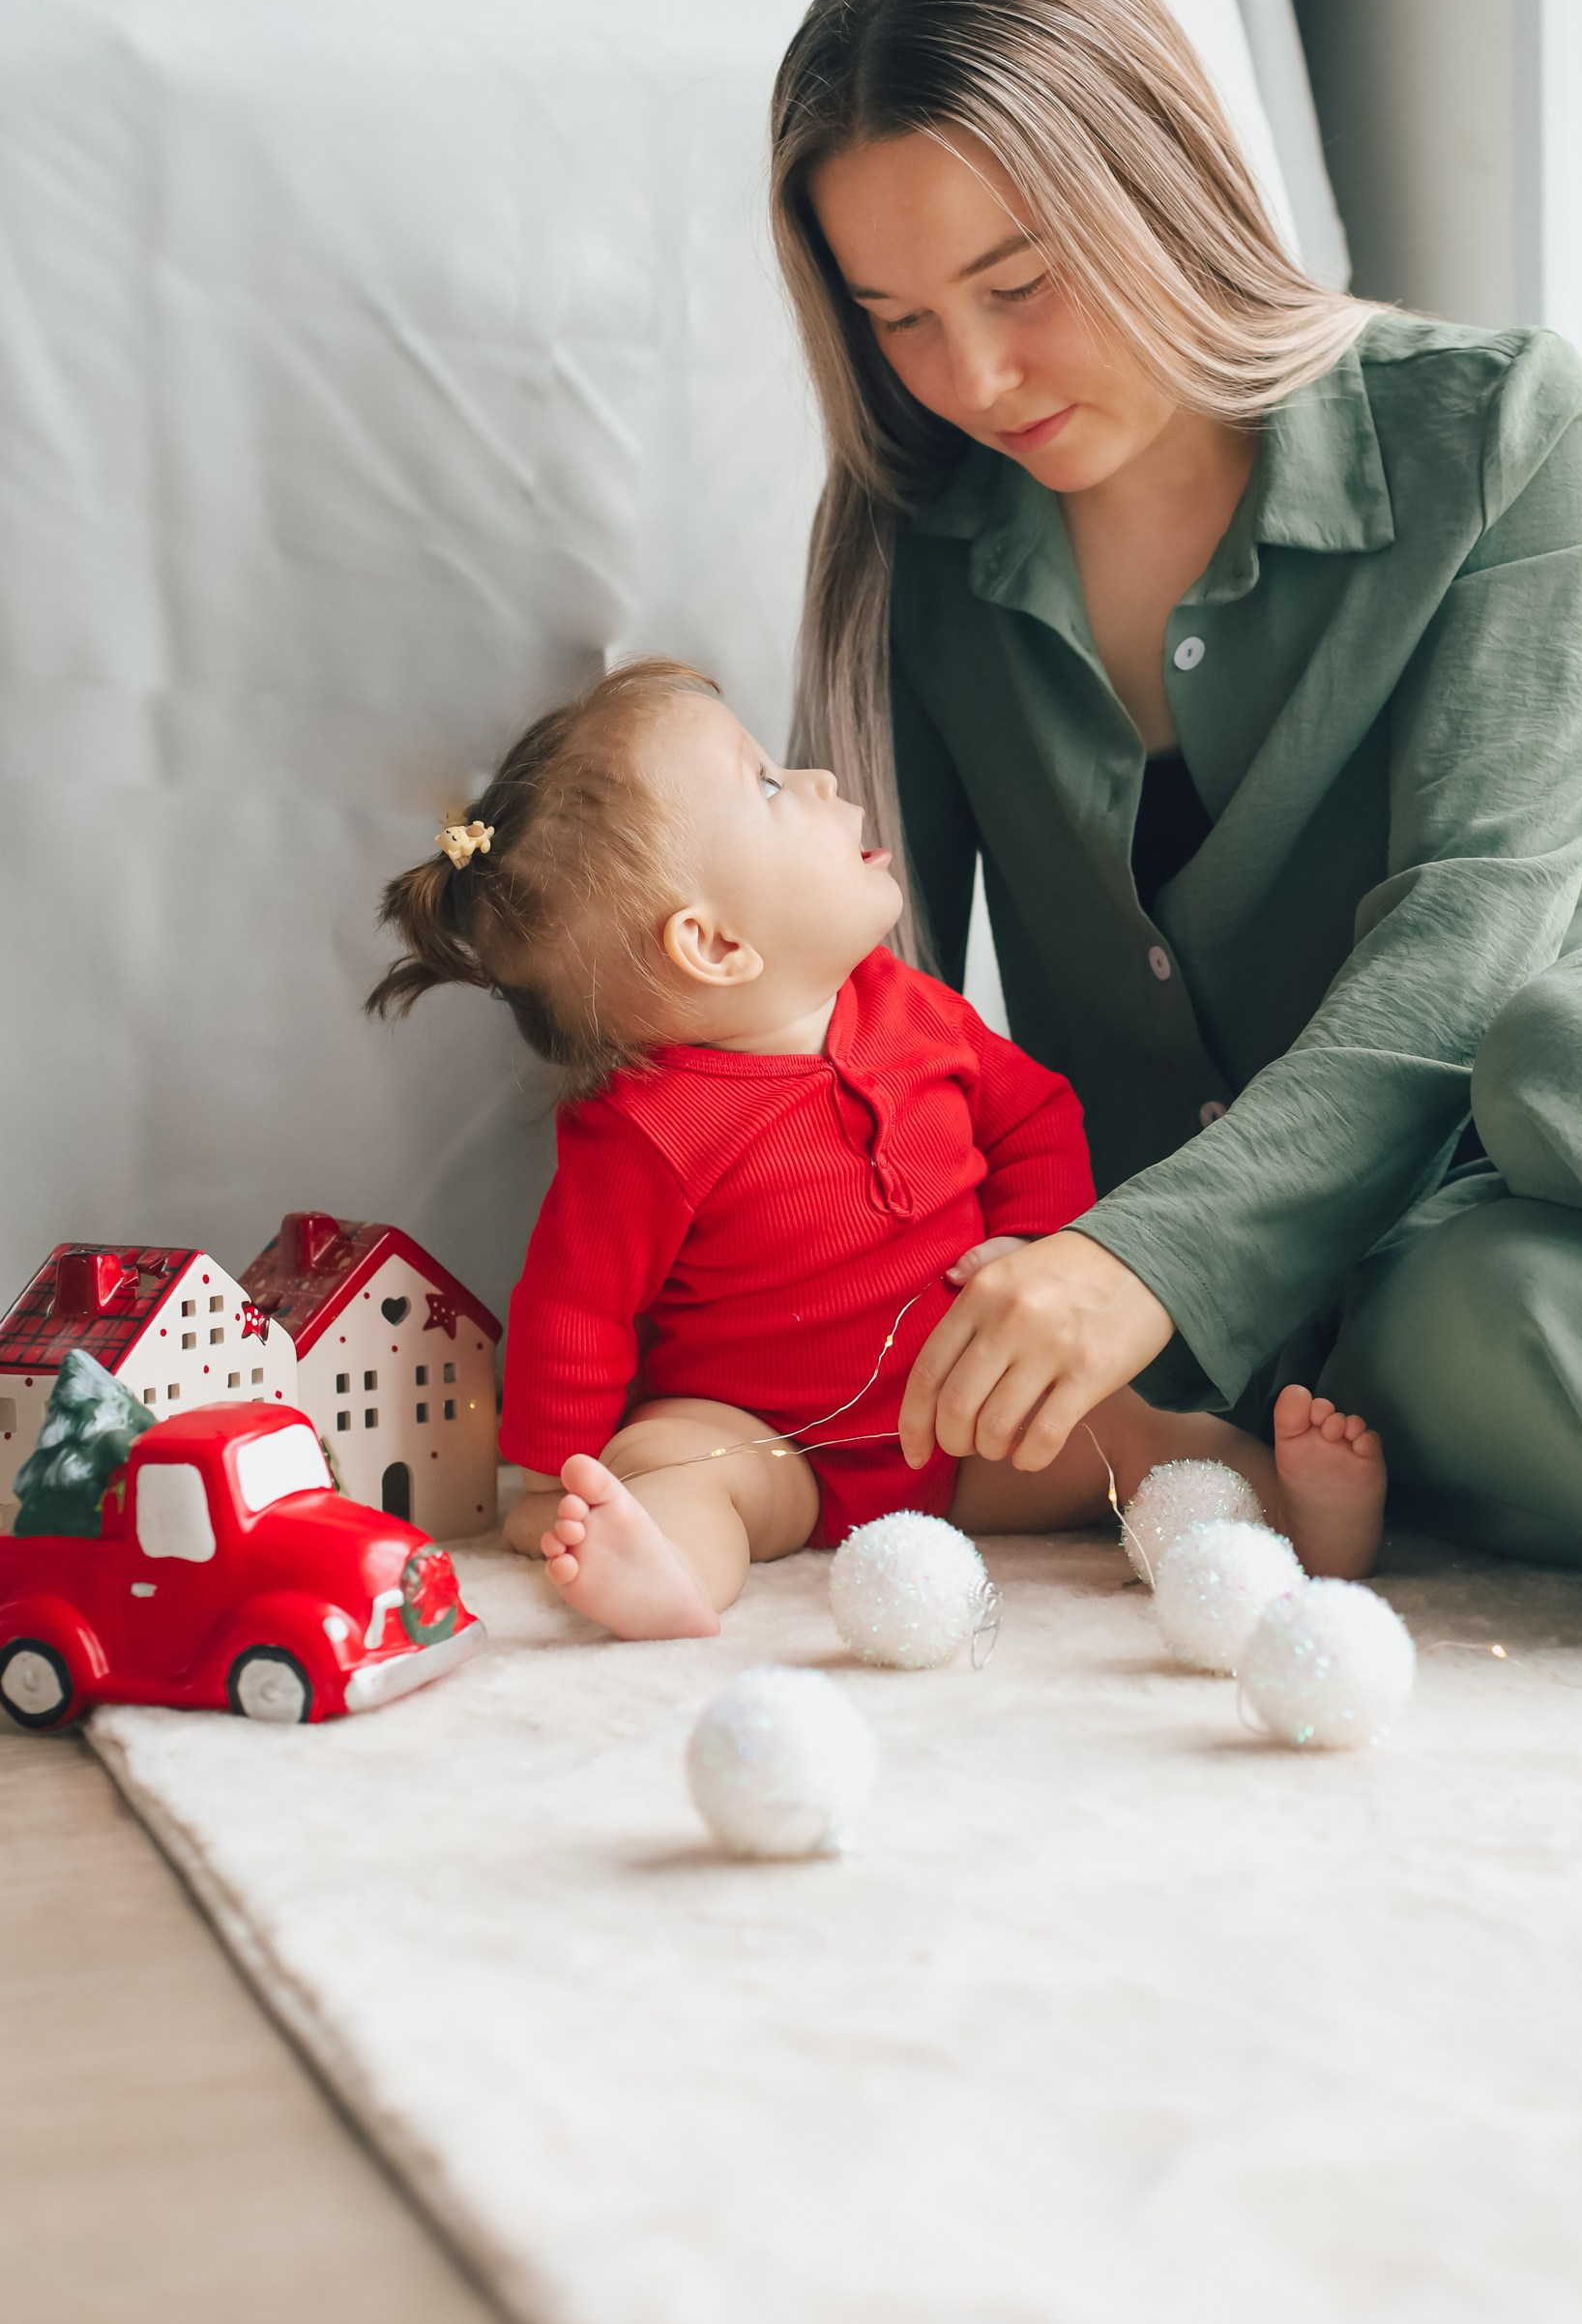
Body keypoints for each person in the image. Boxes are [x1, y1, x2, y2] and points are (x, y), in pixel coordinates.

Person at [768, 0, 1582, 1659]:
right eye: (902, 321)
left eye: (1019, 283)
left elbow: (1482, 932)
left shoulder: (1501, 429)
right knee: (1447, 1328)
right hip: (1380, 1236)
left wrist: (1147, 1254)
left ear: (1155, 189)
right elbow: (896, 1021)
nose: (977, 375)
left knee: (1567, 1047)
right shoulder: (925, 559)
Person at [365, 661, 1380, 1639]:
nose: (815, 777)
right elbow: (574, 1309)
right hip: (772, 1448)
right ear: (714, 945)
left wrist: (1033, 1240)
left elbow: (1034, 1117)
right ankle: (659, 1569)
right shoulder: (642, 1125)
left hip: (967, 1417)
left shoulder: (911, 1009)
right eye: (766, 784)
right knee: (667, 1465)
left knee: (1154, 1444)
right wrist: (553, 1477)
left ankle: (1305, 1524)